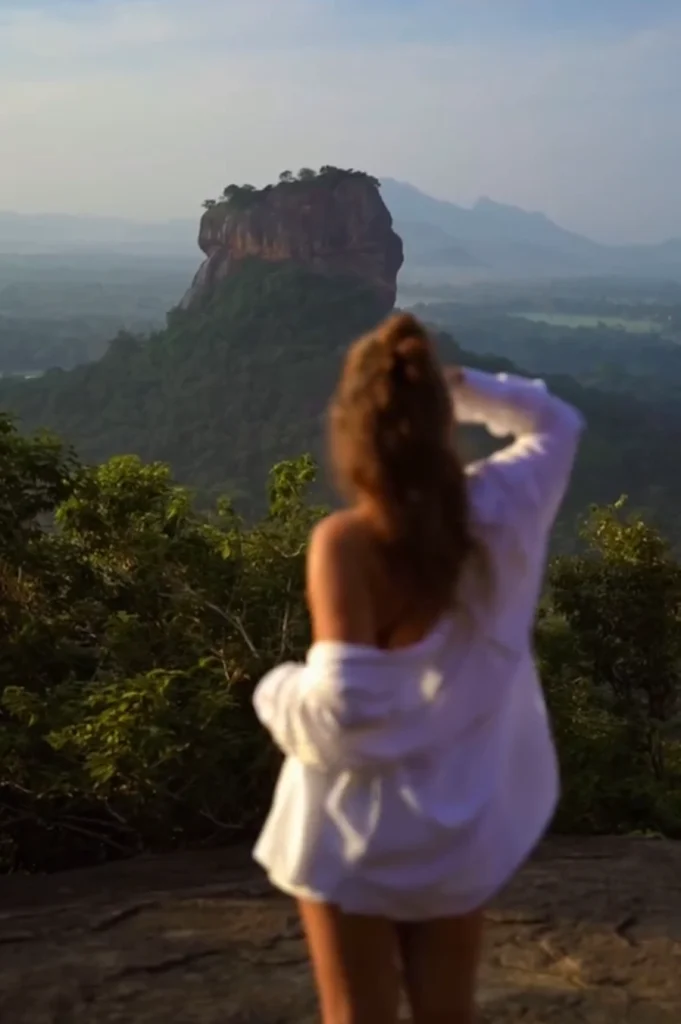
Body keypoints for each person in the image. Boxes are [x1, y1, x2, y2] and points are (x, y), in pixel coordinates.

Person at [252, 311, 584, 1023]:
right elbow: (556, 422)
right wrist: (453, 386)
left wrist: (273, 691)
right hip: (459, 827)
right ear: (439, 419)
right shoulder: (502, 515)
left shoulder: (347, 542)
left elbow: (343, 711)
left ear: (350, 430)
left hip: (350, 833)